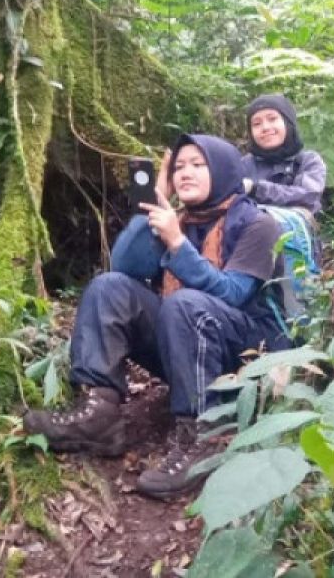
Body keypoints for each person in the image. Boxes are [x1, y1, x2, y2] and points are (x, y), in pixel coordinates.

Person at [24, 134, 292, 500]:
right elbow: (125, 266)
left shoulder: (258, 225)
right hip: (190, 345)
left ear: (224, 170)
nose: (186, 173)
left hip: (246, 357)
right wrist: (152, 201)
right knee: (109, 287)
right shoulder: (178, 219)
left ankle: (202, 432)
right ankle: (99, 415)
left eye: (198, 164)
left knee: (184, 303)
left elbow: (234, 294)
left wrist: (178, 244)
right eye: (179, 166)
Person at [240, 94, 327, 310]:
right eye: (256, 123)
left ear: (287, 122)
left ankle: (301, 323)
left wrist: (256, 188)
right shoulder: (244, 164)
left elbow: (307, 195)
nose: (265, 127)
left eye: (272, 119)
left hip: (295, 246)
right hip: (251, 245)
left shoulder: (308, 161)